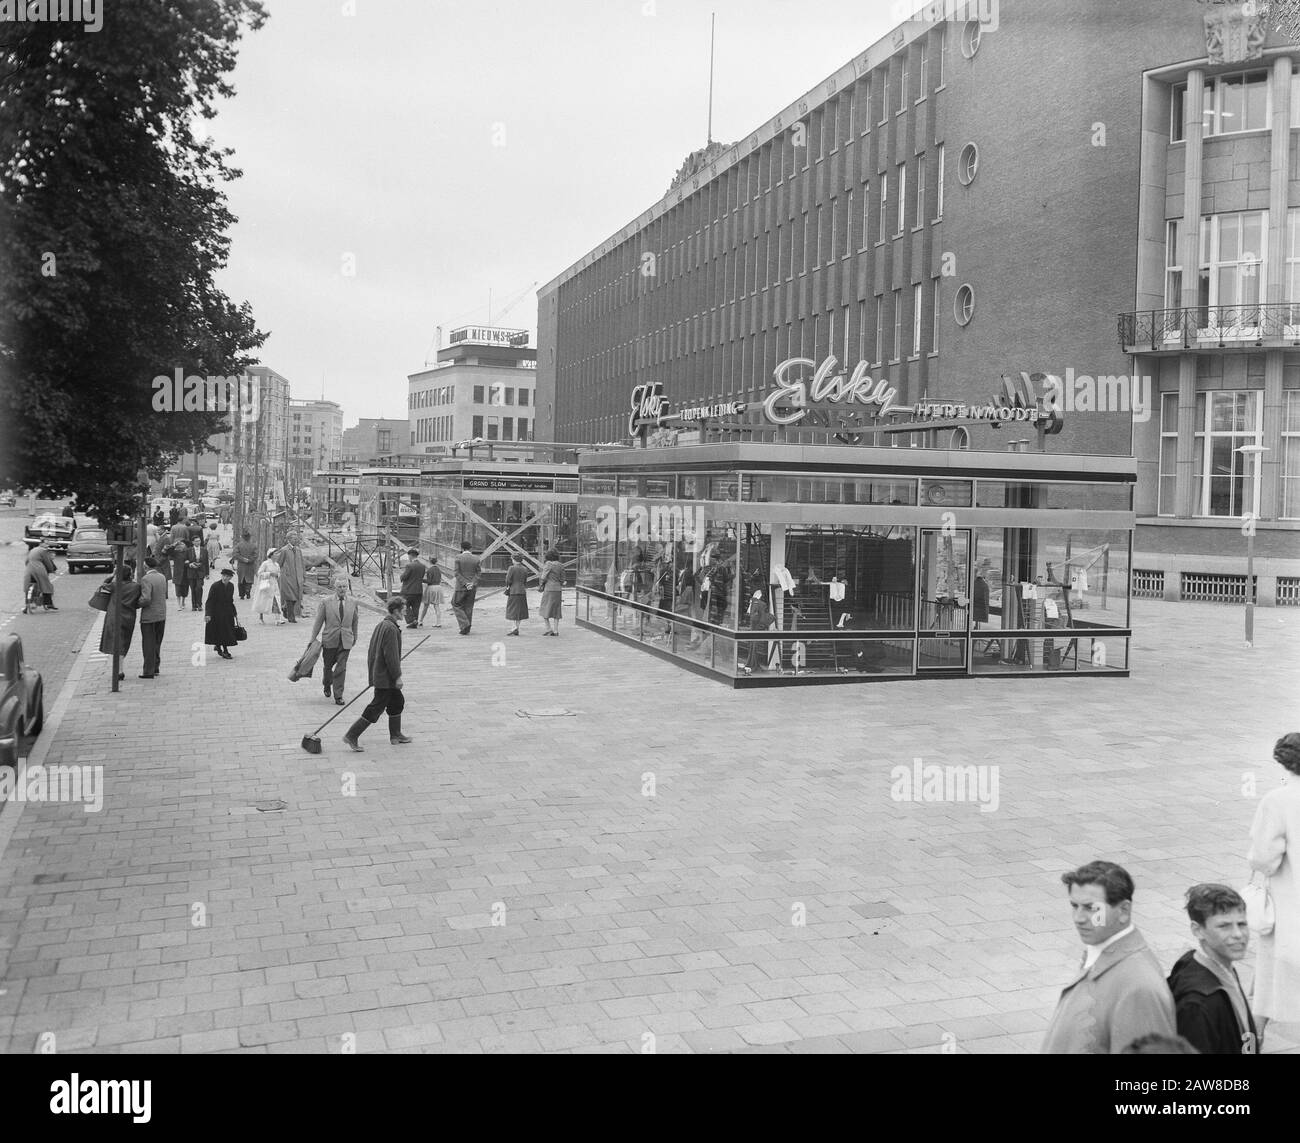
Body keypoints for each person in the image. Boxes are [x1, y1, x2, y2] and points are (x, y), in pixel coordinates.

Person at [1041, 860, 1176, 1053]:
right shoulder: (1099, 952)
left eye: (1091, 908)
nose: (1078, 918)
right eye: (1074, 906)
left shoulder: (1139, 986)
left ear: (1123, 911)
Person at [1247, 731, 1300, 1048]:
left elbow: (1263, 858)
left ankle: (1250, 1045)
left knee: (1265, 990)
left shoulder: (1278, 800)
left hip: (1287, 907)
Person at [1167, 884, 1257, 1055]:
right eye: (1224, 926)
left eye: (1242, 924)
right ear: (1198, 930)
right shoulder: (1198, 1004)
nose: (1238, 934)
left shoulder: (1223, 965)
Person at [343, 598, 412, 750]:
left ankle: (396, 734)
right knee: (376, 707)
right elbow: (391, 657)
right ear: (396, 611)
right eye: (404, 609)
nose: (406, 612)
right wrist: (397, 676)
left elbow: (372, 652)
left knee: (397, 701)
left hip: (381, 675)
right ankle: (352, 735)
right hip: (385, 678)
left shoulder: (383, 624)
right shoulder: (391, 629)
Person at [310, 578, 358, 705]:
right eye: (339, 587)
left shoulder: (353, 602)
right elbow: (318, 622)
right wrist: (312, 638)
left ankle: (338, 695)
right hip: (330, 639)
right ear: (334, 588)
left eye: (344, 587)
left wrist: (355, 636)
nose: (342, 589)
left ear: (347, 588)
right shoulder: (326, 602)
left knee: (341, 668)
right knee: (328, 667)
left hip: (346, 640)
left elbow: (355, 621)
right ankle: (327, 683)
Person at [98, 561, 140, 681]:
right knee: (123, 643)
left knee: (115, 644)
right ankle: (120, 669)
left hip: (114, 617)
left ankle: (119, 670)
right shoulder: (136, 586)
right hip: (129, 617)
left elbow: (103, 585)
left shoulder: (115, 585)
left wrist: (112, 575)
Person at [137, 557, 168, 678]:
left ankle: (148, 671)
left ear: (146, 567)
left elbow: (146, 598)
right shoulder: (162, 577)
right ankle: (156, 667)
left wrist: (137, 604)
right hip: (161, 614)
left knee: (148, 643)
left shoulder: (146, 579)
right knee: (157, 642)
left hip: (149, 616)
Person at [204, 566, 239, 660]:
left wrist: (234, 613)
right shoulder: (215, 586)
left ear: (230, 577)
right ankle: (223, 651)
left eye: (227, 576)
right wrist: (208, 614)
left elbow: (230, 600)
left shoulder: (231, 586)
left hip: (227, 613)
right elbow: (209, 601)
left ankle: (219, 646)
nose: (225, 578)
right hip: (216, 613)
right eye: (223, 575)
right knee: (220, 631)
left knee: (226, 631)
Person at [741, 590, 775, 674]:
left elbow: (754, 617)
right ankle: (753, 663)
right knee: (754, 645)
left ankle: (752, 663)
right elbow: (758, 618)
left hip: (755, 627)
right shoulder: (759, 604)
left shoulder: (754, 603)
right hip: (756, 627)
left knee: (754, 646)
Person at [276, 532, 306, 623]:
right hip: (287, 577)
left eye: (296, 538)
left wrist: (303, 574)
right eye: (293, 538)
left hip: (297, 577)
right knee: (290, 596)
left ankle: (285, 608)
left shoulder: (298, 550)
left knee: (296, 596)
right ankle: (291, 617)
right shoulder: (284, 550)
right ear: (288, 539)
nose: (295, 540)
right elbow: (278, 563)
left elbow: (302, 563)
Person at [452, 540, 480, 635]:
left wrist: (465, 583)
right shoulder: (476, 558)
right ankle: (466, 628)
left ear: (461, 548)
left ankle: (464, 624)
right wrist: (472, 583)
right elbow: (478, 573)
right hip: (472, 587)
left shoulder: (458, 557)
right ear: (470, 548)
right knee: (469, 607)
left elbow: (456, 573)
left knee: (455, 604)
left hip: (460, 587)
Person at [251, 548, 285, 624]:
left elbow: (278, 573)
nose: (277, 555)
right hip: (266, 585)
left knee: (276, 600)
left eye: (277, 554)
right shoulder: (265, 563)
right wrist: (269, 574)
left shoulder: (277, 564)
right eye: (275, 554)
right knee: (263, 601)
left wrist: (277, 575)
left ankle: (277, 619)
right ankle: (261, 617)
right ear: (271, 555)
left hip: (274, 585)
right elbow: (259, 573)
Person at [23, 542, 57, 611]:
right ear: (41, 544)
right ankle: (49, 604)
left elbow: (26, 561)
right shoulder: (43, 550)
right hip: (38, 569)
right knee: (47, 585)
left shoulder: (32, 550)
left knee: (28, 586)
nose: (47, 546)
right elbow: (47, 562)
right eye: (46, 544)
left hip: (29, 570)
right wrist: (52, 570)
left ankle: (27, 606)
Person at [538, 548, 564, 636]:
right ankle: (556, 631)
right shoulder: (561, 565)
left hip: (549, 589)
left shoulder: (548, 564)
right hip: (558, 590)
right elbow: (563, 579)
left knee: (545, 609)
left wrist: (541, 584)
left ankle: (548, 629)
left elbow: (543, 577)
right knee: (557, 610)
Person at [399, 548, 427, 630]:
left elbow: (404, 577)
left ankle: (411, 621)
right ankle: (415, 621)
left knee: (404, 605)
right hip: (418, 590)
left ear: (411, 556)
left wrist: (401, 576)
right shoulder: (422, 566)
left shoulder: (409, 566)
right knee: (416, 607)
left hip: (408, 590)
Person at [504, 552, 529, 635]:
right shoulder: (525, 569)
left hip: (513, 591)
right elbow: (525, 581)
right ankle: (516, 628)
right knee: (520, 611)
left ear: (514, 559)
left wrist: (508, 586)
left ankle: (514, 628)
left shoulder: (511, 568)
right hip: (522, 591)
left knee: (513, 610)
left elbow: (508, 580)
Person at [185, 534, 209, 612]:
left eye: (199, 541)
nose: (198, 542)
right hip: (191, 572)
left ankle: (199, 604)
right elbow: (184, 561)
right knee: (193, 589)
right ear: (192, 542)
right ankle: (194, 605)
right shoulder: (188, 550)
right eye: (196, 541)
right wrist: (190, 564)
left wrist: (207, 573)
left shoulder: (204, 550)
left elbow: (206, 562)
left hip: (201, 572)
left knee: (199, 588)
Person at [233, 530, 257, 600]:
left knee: (241, 580)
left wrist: (243, 559)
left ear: (242, 537)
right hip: (250, 565)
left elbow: (235, 554)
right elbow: (255, 555)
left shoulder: (239, 545)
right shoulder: (253, 545)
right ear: (249, 537)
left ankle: (242, 594)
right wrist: (249, 560)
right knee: (249, 579)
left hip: (241, 565)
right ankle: (248, 591)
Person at [420, 556, 444, 628]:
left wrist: (421, 580)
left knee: (426, 605)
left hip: (431, 588)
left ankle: (420, 620)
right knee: (436, 605)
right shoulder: (439, 570)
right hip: (438, 587)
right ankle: (438, 622)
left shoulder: (430, 570)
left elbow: (429, 581)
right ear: (436, 561)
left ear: (429, 561)